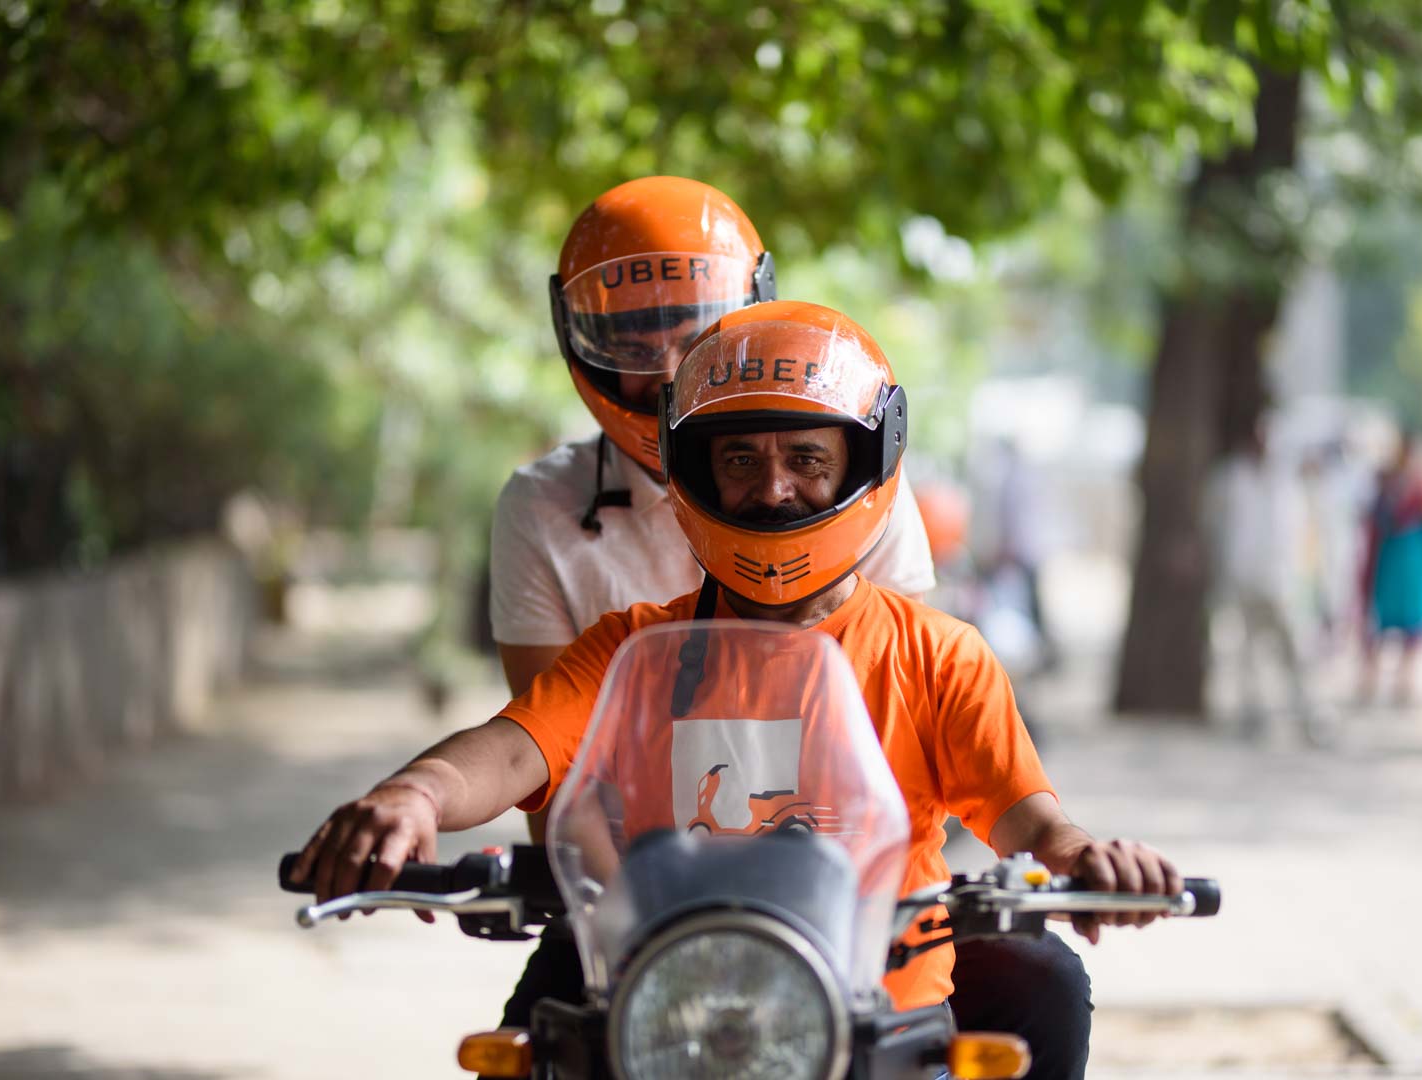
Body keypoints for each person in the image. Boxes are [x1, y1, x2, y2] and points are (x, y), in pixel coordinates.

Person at [296, 303, 1185, 1080]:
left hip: (875, 1029)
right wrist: (414, 794)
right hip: (662, 1011)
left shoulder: (939, 656)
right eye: (741, 460)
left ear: (863, 466)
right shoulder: (632, 648)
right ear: (694, 473)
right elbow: (511, 746)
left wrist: (1084, 857)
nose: (773, 488)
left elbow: (1029, 822)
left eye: (806, 457)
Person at [488, 178, 937, 1035]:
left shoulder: (857, 482)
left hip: (848, 900)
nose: (663, 363)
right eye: (630, 333)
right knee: (528, 1044)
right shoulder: (546, 516)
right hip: (643, 895)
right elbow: (546, 762)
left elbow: (897, 702)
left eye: (690, 329)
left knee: (1044, 993)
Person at [1207, 418, 1322, 743]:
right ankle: (1251, 716)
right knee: (1246, 653)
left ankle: (1304, 714)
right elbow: (1216, 528)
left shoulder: (1283, 479)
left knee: (1294, 651)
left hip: (1279, 580)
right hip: (1243, 578)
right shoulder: (1231, 478)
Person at [1358, 433, 1422, 705]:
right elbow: (1376, 517)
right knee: (1381, 621)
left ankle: (1405, 682)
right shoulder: (1389, 482)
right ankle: (1371, 679)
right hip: (1392, 559)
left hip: (1415, 559)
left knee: (1413, 624)